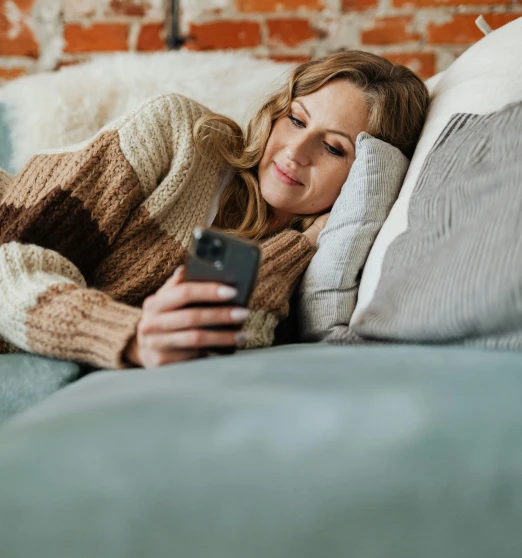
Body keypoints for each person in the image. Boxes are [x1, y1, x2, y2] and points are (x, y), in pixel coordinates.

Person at [0, 50, 429, 369]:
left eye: (333, 147)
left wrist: (298, 247)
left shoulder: (299, 253)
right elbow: (10, 267)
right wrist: (128, 337)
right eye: (296, 120)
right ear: (277, 112)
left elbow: (229, 344)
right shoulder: (177, 134)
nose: (295, 152)